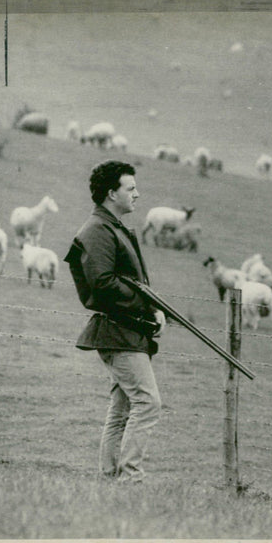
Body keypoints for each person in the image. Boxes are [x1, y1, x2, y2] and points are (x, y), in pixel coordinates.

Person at [64, 160, 166, 483]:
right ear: (111, 193)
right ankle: (130, 478)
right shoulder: (97, 230)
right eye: (130, 188)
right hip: (118, 331)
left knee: (122, 408)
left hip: (127, 329)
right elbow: (103, 284)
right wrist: (149, 308)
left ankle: (110, 478)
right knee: (148, 403)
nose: (138, 194)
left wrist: (153, 308)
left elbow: (126, 282)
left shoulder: (112, 227)